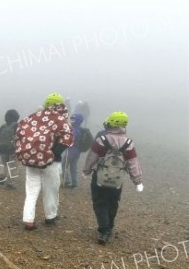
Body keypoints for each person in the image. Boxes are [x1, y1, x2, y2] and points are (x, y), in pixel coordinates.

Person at [83, 111, 143, 245]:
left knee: (100, 202)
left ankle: (104, 229)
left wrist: (86, 171)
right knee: (113, 201)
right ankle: (110, 225)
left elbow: (91, 157)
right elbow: (133, 163)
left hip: (99, 178)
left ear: (110, 123)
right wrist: (137, 181)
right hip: (117, 180)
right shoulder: (129, 143)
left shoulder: (102, 140)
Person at [14, 93, 73, 230]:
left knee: (31, 191)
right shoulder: (61, 120)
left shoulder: (33, 117)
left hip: (31, 160)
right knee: (51, 190)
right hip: (52, 162)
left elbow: (19, 133)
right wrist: (52, 154)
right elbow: (67, 139)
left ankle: (28, 220)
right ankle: (50, 217)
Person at [62, 113, 93, 188]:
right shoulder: (80, 129)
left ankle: (66, 182)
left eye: (73, 119)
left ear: (77, 121)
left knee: (63, 166)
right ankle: (74, 183)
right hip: (77, 151)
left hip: (71, 151)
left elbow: (70, 139)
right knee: (73, 167)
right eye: (71, 119)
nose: (71, 121)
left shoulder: (74, 130)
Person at [0, 109, 20, 187]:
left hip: (2, 149)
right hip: (13, 149)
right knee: (13, 166)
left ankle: (1, 179)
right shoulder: (17, 126)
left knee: (4, 164)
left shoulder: (3, 126)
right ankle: (10, 184)